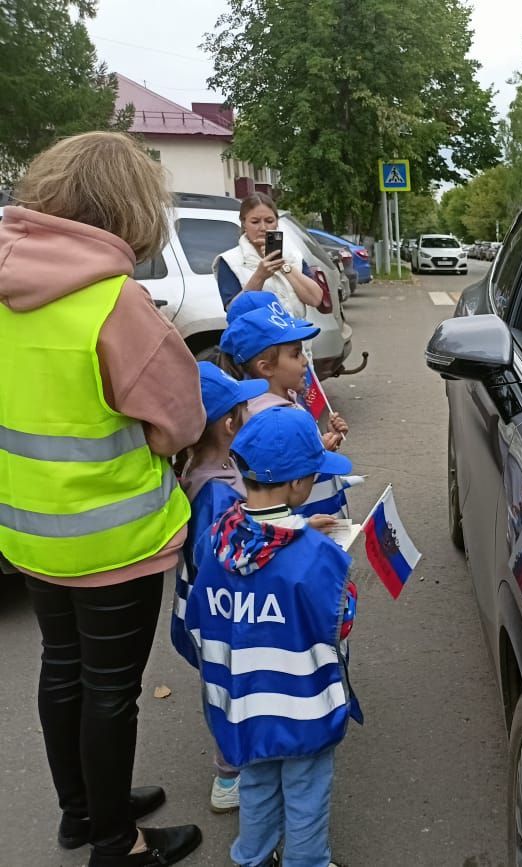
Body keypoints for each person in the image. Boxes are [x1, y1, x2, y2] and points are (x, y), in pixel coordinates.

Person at [0, 131, 204, 866]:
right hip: (113, 538)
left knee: (61, 668)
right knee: (111, 689)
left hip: (29, 528)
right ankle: (120, 843)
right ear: (127, 208)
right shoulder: (112, 303)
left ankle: (83, 812)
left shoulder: (6, 290)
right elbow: (178, 421)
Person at [185, 408, 361, 867]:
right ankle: (307, 862)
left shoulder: (214, 539)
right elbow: (339, 623)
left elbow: (202, 613)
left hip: (239, 701)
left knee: (258, 781)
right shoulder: (318, 556)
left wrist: (303, 529)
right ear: (299, 486)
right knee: (306, 789)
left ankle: (252, 856)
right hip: (301, 704)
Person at [171, 362, 269, 813]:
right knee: (228, 690)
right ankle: (230, 777)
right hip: (220, 616)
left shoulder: (203, 467)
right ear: (231, 423)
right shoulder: (218, 495)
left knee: (223, 686)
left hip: (202, 611)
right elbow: (225, 562)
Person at [219, 305, 348, 447]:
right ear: (266, 368)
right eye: (296, 354)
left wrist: (327, 441)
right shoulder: (272, 422)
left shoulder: (287, 398)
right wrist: (321, 452)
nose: (305, 361)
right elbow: (291, 468)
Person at [214, 192, 322, 317]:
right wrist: (259, 276)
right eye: (255, 222)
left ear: (277, 222)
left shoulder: (293, 255)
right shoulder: (229, 260)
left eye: (269, 221)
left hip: (296, 334)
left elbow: (315, 299)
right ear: (244, 223)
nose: (263, 227)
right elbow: (234, 312)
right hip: (258, 336)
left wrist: (284, 266)